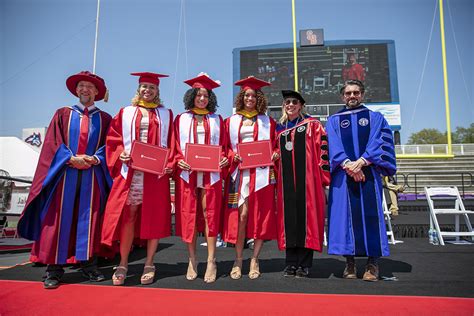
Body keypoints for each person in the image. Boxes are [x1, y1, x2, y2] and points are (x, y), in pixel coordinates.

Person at [17, 71, 112, 289]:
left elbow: (111, 145)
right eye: (81, 86)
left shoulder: (105, 119)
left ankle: (89, 265)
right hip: (64, 175)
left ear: (97, 92)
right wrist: (71, 158)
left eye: (89, 86)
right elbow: (52, 143)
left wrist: (96, 158)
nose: (84, 89)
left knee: (89, 219)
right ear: (76, 90)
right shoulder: (62, 114)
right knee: (59, 220)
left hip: (92, 175)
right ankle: (54, 270)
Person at [101, 72, 175, 286]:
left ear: (157, 91)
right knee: (129, 216)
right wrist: (120, 153)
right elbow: (113, 140)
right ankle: (123, 263)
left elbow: (172, 141)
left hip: (154, 174)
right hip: (131, 173)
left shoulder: (166, 114)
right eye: (144, 87)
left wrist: (168, 163)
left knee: (152, 216)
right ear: (138, 89)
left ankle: (150, 263)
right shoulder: (126, 112)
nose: (147, 91)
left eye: (151, 88)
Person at [326, 79, 397, 282]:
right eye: (348, 93)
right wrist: (349, 164)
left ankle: (372, 264)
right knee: (344, 219)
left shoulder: (375, 118)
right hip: (343, 174)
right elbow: (332, 144)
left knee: (371, 217)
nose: (352, 96)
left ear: (362, 95)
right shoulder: (333, 120)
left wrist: (363, 161)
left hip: (369, 174)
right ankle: (349, 262)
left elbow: (380, 141)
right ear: (342, 96)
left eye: (356, 93)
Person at [174, 73, 229, 283]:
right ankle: (192, 259)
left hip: (211, 174)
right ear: (192, 96)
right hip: (188, 173)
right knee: (189, 215)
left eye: (206, 95)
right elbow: (174, 146)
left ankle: (212, 260)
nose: (202, 99)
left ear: (210, 98)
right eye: (199, 95)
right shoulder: (181, 119)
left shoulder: (217, 120)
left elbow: (224, 146)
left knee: (210, 214)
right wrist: (178, 159)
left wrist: (224, 158)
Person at [223, 76, 279, 280]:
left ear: (259, 99)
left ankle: (255, 259)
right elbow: (225, 148)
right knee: (242, 216)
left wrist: (275, 153)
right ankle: (238, 259)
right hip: (240, 173)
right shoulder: (230, 121)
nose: (250, 98)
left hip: (262, 174)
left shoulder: (268, 122)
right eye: (247, 95)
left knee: (259, 216)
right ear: (241, 97)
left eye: (254, 96)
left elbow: (275, 145)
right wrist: (232, 156)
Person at [275, 90, 330, 278]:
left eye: (294, 102)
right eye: (287, 102)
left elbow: (323, 151)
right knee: (289, 221)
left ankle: (305, 264)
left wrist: (323, 179)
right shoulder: (279, 128)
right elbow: (274, 153)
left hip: (308, 183)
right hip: (286, 184)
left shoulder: (312, 126)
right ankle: (290, 263)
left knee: (307, 221)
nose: (290, 105)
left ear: (301, 105)